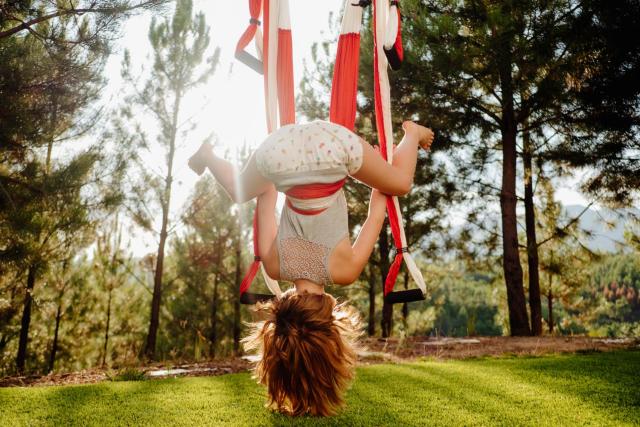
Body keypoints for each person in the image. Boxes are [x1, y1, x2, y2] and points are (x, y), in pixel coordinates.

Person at [188, 120, 434, 416]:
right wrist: (290, 176)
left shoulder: (344, 271)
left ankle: (412, 133)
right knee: (240, 190)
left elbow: (378, 207)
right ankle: (208, 155)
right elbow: (266, 194)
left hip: (335, 148)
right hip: (278, 152)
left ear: (330, 328)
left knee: (400, 182)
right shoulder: (275, 265)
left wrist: (383, 164)